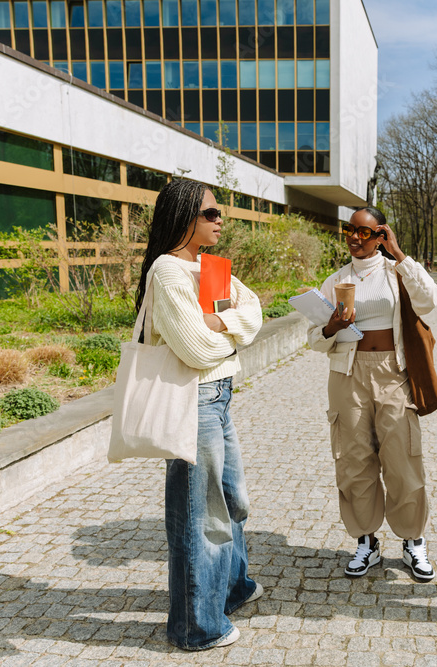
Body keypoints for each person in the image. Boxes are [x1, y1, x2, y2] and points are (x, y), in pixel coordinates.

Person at [134, 179, 264, 650]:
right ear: (184, 216)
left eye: (219, 212)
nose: (220, 220)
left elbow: (256, 311)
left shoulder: (209, 267)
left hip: (219, 397)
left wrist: (222, 322)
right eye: (210, 213)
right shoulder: (168, 272)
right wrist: (229, 332)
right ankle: (196, 627)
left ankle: (233, 588)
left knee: (233, 502)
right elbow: (195, 348)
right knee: (200, 515)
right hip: (194, 400)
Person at [308, 206, 437, 580]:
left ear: (380, 235)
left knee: (402, 458)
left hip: (393, 371)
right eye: (349, 230)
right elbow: (313, 340)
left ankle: (413, 541)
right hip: (347, 374)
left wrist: (399, 255)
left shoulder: (394, 272)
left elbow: (431, 300)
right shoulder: (334, 280)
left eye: (364, 232)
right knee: (353, 460)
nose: (354, 237)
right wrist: (331, 326)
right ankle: (366, 541)